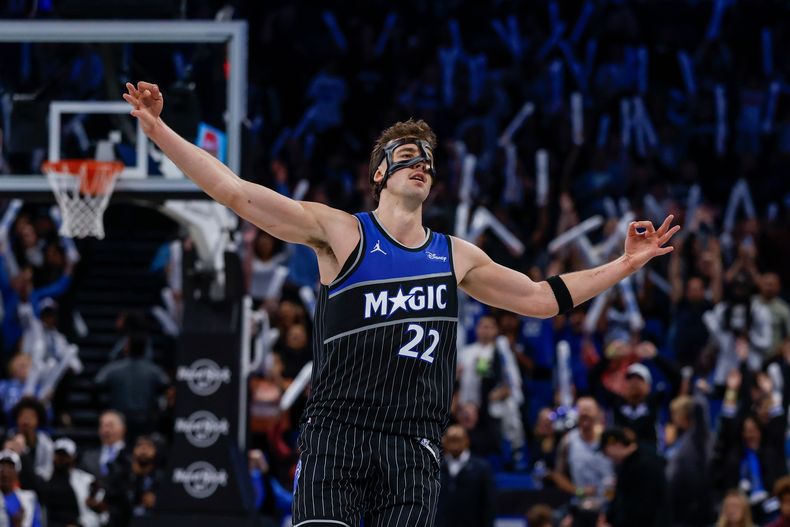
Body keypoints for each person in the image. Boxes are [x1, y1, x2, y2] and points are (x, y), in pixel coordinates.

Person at [124, 80, 680, 525]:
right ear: (381, 172)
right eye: (409, 155)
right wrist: (158, 129)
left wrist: (626, 264)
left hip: (413, 443)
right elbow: (234, 192)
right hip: (337, 431)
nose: (422, 165)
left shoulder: (455, 255)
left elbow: (541, 299)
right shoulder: (340, 232)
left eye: (430, 161)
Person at [94, 333, 169, 440]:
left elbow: (96, 384)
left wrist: (102, 409)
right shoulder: (155, 371)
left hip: (123, 418)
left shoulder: (113, 369)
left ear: (127, 347)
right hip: (143, 420)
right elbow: (167, 386)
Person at [552, 397, 614, 527]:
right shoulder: (568, 441)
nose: (585, 413)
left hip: (609, 505)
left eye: (589, 410)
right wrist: (578, 491)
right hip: (579, 504)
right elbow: (558, 475)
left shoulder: (610, 438)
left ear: (598, 414)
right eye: (581, 410)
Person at [600, 427, 670, 527]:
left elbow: (642, 507)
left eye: (605, 451)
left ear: (616, 445)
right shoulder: (625, 464)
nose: (607, 457)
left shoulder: (646, 463)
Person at [435, 425, 495, 527]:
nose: (454, 444)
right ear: (444, 442)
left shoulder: (481, 468)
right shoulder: (437, 467)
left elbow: (488, 505)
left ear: (467, 441)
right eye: (451, 439)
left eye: (457, 439)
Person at [40, 438, 102, 527]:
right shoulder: (45, 479)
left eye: (65, 455)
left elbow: (99, 515)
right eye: (58, 454)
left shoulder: (87, 480)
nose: (61, 459)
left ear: (73, 457)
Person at [79, 410, 127, 480]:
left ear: (123, 429)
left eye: (110, 426)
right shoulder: (87, 457)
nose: (105, 430)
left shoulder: (132, 455)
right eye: (102, 426)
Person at [0, 449, 41, 527]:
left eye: (10, 467)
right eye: (2, 467)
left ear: (17, 473)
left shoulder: (29, 499)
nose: (5, 473)